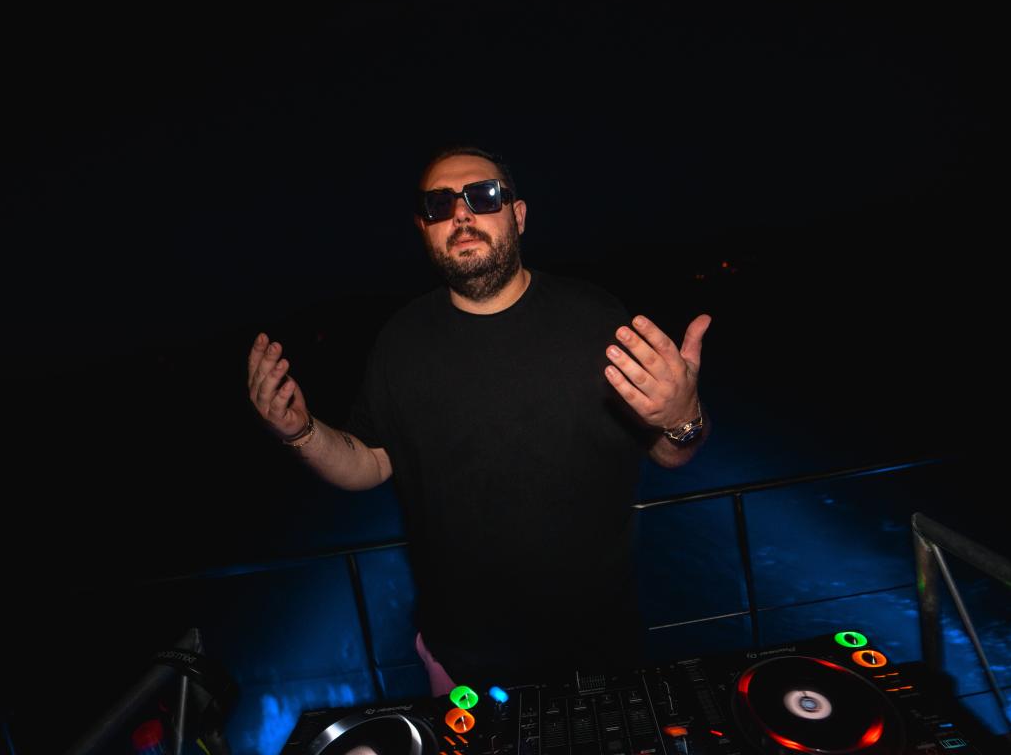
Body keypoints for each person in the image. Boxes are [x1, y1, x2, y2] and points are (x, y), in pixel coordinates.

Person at [247, 146, 711, 693]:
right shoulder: (400, 342)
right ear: (424, 228)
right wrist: (300, 431)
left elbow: (672, 453)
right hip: (459, 657)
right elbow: (370, 463)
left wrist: (682, 415)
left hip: (598, 649)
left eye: (483, 196)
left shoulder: (597, 320)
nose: (461, 214)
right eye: (439, 205)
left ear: (518, 215)